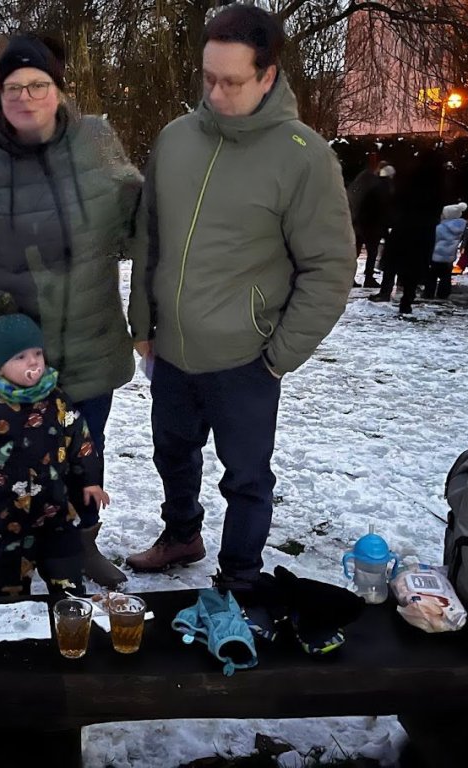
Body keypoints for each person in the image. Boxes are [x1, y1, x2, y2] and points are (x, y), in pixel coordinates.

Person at [125, 5, 355, 598]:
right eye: (208, 78)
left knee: (247, 478)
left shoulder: (303, 155)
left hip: (246, 360)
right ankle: (182, 535)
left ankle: (241, 576)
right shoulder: (175, 139)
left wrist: (278, 356)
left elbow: (330, 268)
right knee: (173, 456)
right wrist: (143, 323)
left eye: (232, 81)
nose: (216, 93)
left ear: (268, 75)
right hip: (172, 352)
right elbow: (150, 236)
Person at [0, 33, 142, 589]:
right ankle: (6, 547)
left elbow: (136, 218)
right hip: (16, 344)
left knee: (83, 447)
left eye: (38, 84)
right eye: (13, 87)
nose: (25, 97)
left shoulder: (95, 139)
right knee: (10, 457)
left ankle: (81, 544)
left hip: (90, 334)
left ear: (59, 88)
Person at [0, 294, 108, 596]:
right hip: (6, 518)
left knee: (68, 582)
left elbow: (82, 442)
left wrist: (90, 480)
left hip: (56, 514)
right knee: (10, 588)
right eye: (20, 357)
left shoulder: (58, 401)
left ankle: (68, 609)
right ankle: (14, 613)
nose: (33, 362)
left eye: (37, 353)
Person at [369, 157, 444, 313]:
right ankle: (407, 299)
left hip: (404, 229)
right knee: (414, 268)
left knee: (394, 264)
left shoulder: (407, 185)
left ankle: (387, 292)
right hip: (422, 232)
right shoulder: (435, 188)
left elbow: (395, 204)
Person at [347, 155, 393, 288]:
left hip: (357, 222)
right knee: (371, 252)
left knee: (355, 252)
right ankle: (368, 278)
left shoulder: (360, 181)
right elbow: (382, 206)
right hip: (371, 224)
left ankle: (350, 278)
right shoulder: (378, 185)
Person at [425, 202, 468, 300]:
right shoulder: (460, 227)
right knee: (446, 276)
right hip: (449, 256)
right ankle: (443, 294)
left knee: (432, 275)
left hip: (437, 254)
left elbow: (433, 239)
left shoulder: (440, 228)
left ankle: (429, 293)